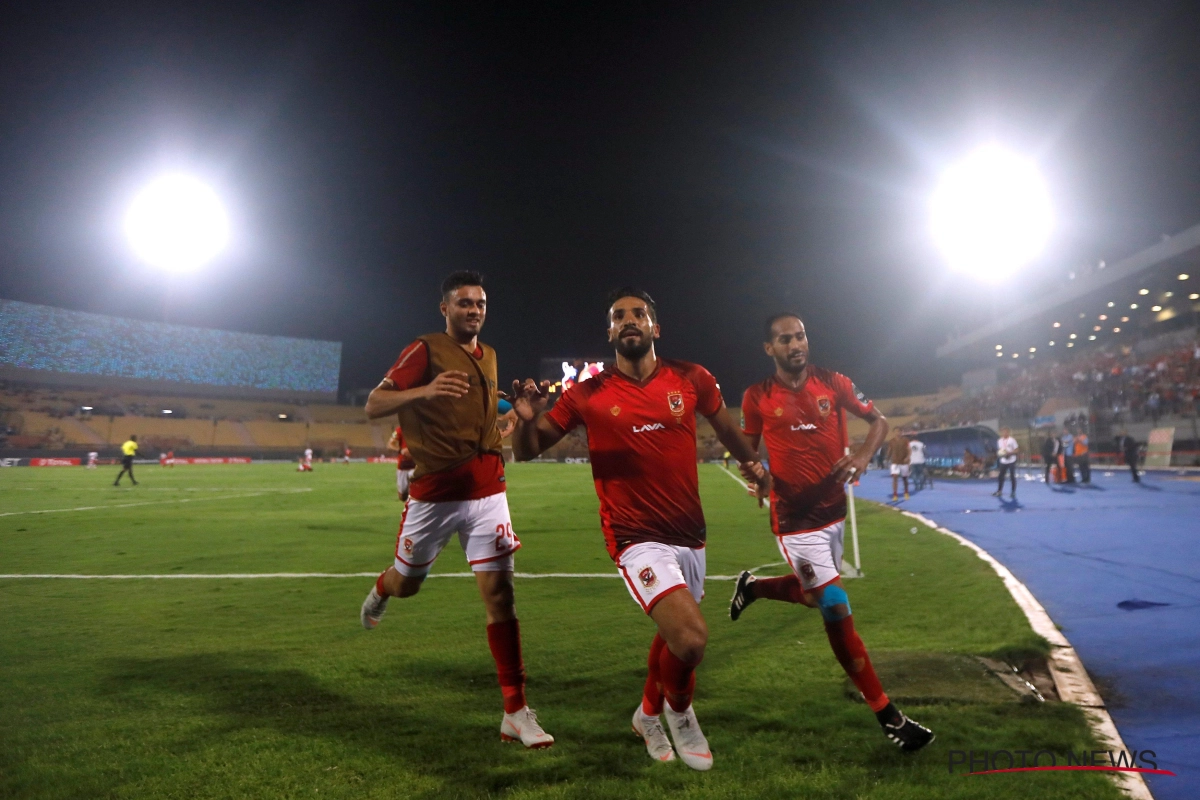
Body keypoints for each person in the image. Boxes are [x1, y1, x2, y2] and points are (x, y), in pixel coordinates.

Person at [510, 287, 768, 770]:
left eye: (639, 314)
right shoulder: (586, 393)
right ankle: (680, 712)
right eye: (619, 316)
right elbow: (527, 450)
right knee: (690, 639)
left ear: (655, 327)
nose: (629, 321)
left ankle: (646, 715)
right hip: (634, 537)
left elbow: (729, 430)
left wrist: (755, 467)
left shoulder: (692, 378)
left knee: (672, 637)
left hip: (689, 532)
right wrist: (527, 420)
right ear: (609, 332)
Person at [358, 271, 552, 749]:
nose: (474, 310)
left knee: (501, 597)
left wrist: (518, 414)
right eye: (464, 303)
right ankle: (383, 587)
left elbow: (484, 419)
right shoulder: (423, 350)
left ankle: (516, 711)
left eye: (481, 303)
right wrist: (422, 391)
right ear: (444, 309)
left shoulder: (490, 357)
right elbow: (373, 403)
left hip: (488, 489)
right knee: (408, 584)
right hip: (434, 494)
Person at [728, 312, 934, 753]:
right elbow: (747, 450)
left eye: (801, 335)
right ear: (770, 349)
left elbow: (878, 422)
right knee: (835, 605)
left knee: (812, 595)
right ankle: (888, 716)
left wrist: (861, 456)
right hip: (794, 521)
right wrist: (757, 474)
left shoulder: (835, 382)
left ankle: (755, 587)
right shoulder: (757, 396)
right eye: (785, 339)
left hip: (833, 513)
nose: (796, 344)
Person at [387, 426, 415, 500]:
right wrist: (401, 450)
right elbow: (390, 445)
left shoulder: (421, 429)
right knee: (403, 496)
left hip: (416, 465)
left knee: (415, 491)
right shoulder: (399, 430)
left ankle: (411, 506)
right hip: (403, 466)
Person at [993, 428, 1018, 499]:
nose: (1004, 433)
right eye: (1003, 432)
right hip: (1003, 461)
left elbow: (1017, 450)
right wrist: (1001, 454)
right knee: (1001, 476)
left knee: (1012, 476)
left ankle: (1013, 492)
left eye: (1006, 432)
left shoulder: (1012, 440)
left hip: (1011, 460)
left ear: (1008, 432)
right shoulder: (999, 441)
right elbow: (1000, 450)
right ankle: (999, 491)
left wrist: (1010, 453)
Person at [887, 432, 910, 501]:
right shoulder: (891, 441)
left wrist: (908, 457)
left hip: (903, 462)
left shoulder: (905, 440)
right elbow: (889, 450)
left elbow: (909, 449)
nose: (898, 433)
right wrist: (887, 458)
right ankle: (895, 494)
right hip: (895, 462)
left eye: (899, 431)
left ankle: (906, 492)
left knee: (904, 478)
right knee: (895, 478)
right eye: (896, 431)